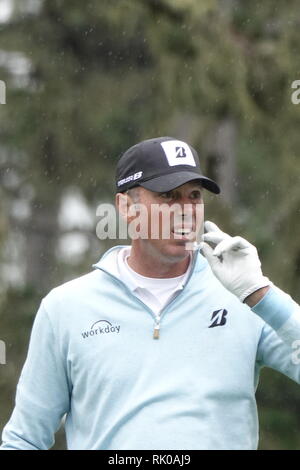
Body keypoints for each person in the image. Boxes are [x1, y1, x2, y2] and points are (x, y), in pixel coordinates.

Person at [1, 136, 299, 450]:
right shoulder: (66, 308)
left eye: (194, 196)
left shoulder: (242, 298)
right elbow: (24, 439)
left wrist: (260, 293)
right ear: (126, 207)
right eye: (169, 196)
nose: (185, 211)